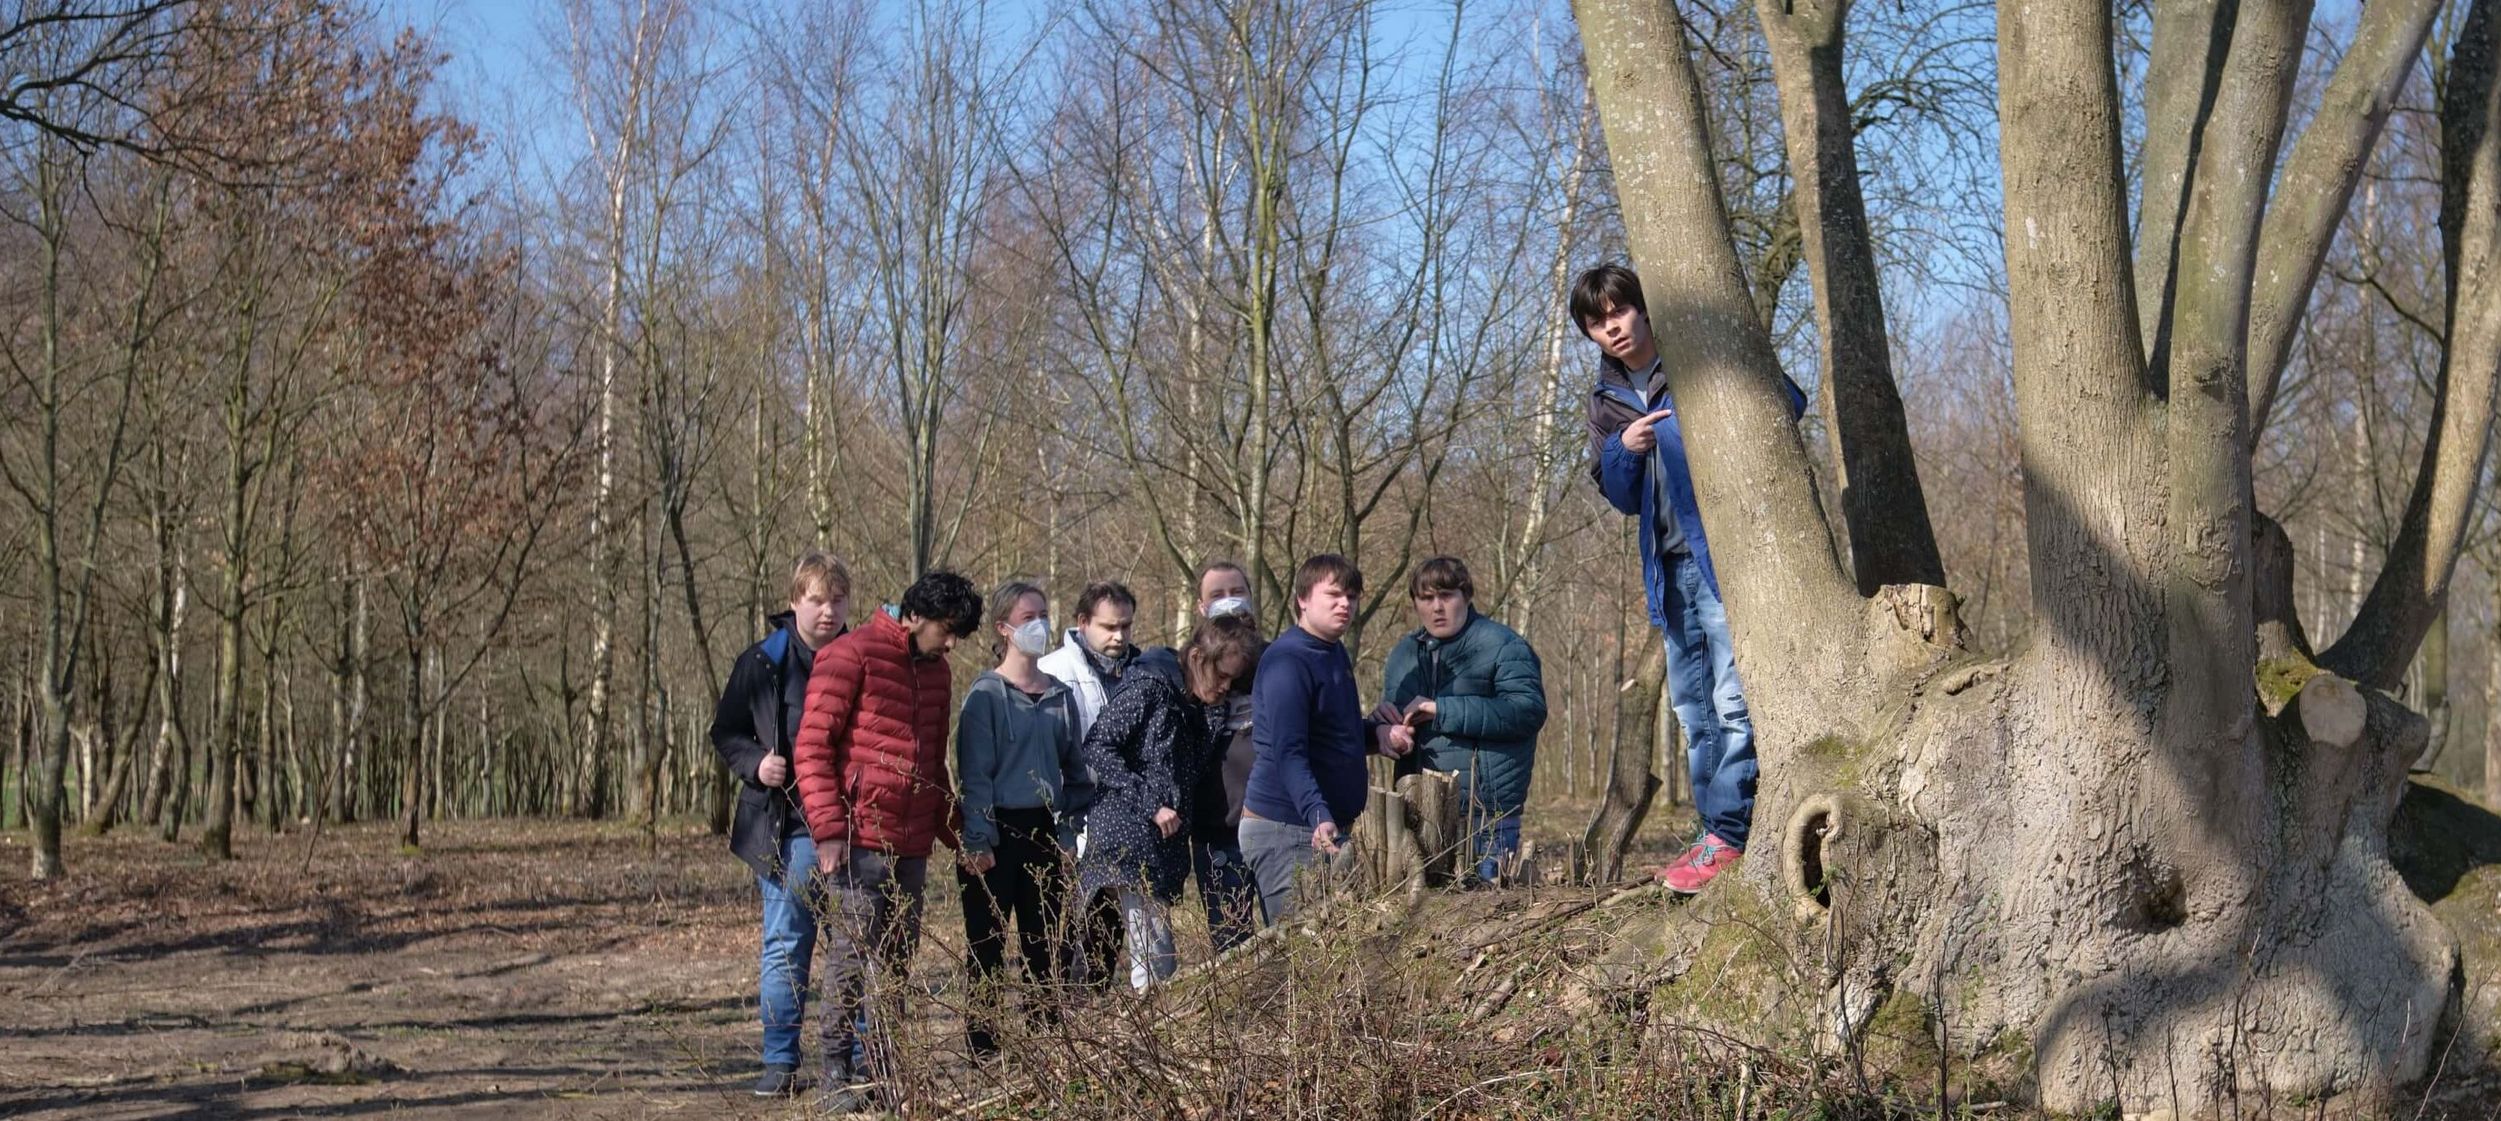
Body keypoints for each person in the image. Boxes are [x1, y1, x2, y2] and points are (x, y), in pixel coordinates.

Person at [1574, 263, 1802, 894]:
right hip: (1667, 569)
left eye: (1619, 311)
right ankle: (1718, 834)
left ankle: (1731, 834)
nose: (1612, 327)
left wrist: (1687, 420)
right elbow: (1616, 494)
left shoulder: (1697, 356)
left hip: (1725, 561)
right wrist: (1626, 446)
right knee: (1694, 710)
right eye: (1597, 322)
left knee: (1733, 703)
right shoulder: (1605, 402)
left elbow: (1788, 403)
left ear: (1643, 309)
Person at [791, 570, 983, 1111]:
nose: (950, 644)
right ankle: (835, 1079)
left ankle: (886, 1073)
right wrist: (829, 831)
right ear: (914, 616)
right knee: (849, 963)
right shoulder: (851, 655)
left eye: (958, 636)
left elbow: (933, 767)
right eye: (946, 630)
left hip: (912, 843)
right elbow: (812, 751)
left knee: (896, 966)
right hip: (857, 841)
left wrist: (955, 832)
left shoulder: (939, 673)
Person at [708, 552, 851, 1097]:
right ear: (795, 602)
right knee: (786, 945)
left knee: (853, 947)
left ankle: (854, 1062)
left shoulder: (863, 656)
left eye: (837, 600)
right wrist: (755, 764)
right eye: (816, 600)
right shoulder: (762, 662)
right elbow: (725, 731)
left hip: (849, 830)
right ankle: (780, 1064)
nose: (827, 611)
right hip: (783, 829)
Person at [1076, 614, 1266, 989]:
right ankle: (1148, 1035)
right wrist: (1151, 804)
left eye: (1234, 679)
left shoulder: (1202, 706)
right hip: (1126, 839)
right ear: (1197, 658)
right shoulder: (1149, 688)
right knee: (1155, 961)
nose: (1227, 687)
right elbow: (1097, 745)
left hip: (1161, 847)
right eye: (1222, 676)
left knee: (1135, 956)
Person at [953, 581, 1091, 1057]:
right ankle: (985, 1049)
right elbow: (975, 776)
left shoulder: (1059, 696)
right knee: (987, 949)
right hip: (991, 834)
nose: (1040, 625)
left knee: (1045, 946)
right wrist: (977, 839)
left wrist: (1070, 832)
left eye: (1044, 614)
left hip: (1045, 833)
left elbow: (1077, 773)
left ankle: (1045, 1042)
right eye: (1029, 616)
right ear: (1004, 628)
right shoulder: (984, 697)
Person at [1238, 554, 1413, 922]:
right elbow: (1289, 751)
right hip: (1287, 829)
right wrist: (1317, 811)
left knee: (1329, 954)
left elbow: (1331, 735)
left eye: (1352, 596)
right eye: (1333, 594)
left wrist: (1378, 734)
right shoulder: (1289, 661)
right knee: (1297, 959)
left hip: (1317, 828)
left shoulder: (1332, 653)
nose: (1345, 604)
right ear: (1303, 599)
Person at [1380, 556, 1547, 886]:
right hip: (1420, 813)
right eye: (1426, 599)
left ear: (1466, 596)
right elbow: (1393, 720)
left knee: (1487, 914)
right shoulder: (1403, 655)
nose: (1437, 608)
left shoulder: (1504, 646)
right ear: (1415, 603)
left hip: (1486, 815)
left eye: (1447, 596)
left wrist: (1441, 710)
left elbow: (1527, 711)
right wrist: (1386, 731)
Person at [1188, 561, 1263, 951]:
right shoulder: (1189, 667)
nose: (1229, 602)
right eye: (1217, 595)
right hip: (1218, 834)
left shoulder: (1275, 660)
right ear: (1201, 607)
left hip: (1277, 827)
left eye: (1236, 592)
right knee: (1231, 949)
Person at [1037, 580, 1139, 738]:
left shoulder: (1144, 672)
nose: (1119, 637)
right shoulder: (1048, 673)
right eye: (1110, 627)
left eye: (1125, 626)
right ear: (1083, 622)